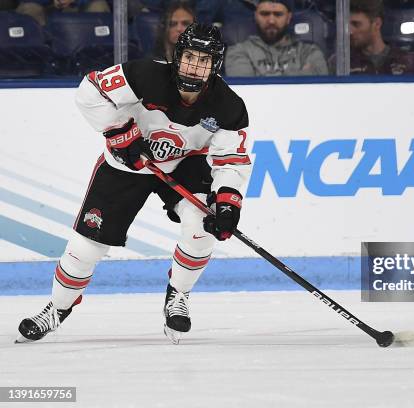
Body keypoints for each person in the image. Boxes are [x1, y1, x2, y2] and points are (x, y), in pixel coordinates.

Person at [15, 23, 251, 345]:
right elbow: (90, 91)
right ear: (177, 56)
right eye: (189, 57)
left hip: (185, 165)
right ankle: (57, 308)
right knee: (85, 248)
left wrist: (227, 201)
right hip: (126, 165)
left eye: (204, 60)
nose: (194, 66)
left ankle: (178, 294)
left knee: (201, 231)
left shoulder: (229, 106)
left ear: (215, 65)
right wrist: (120, 133)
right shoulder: (144, 75)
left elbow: (230, 160)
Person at [224, 0, 328, 76]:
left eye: (278, 14)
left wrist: (261, 76)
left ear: (288, 17)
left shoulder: (309, 51)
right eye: (265, 14)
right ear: (256, 16)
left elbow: (318, 87)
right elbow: (246, 90)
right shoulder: (238, 51)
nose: (271, 21)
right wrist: (300, 73)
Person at [329, 0, 414, 75]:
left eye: (356, 24)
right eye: (346, 25)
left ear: (377, 24)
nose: (350, 31)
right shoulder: (339, 63)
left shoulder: (407, 61)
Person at [16, 0, 110, 26]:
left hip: (78, 8)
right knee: (31, 9)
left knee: (99, 5)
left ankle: (96, 57)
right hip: (45, 8)